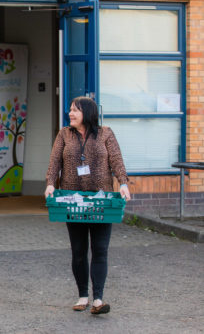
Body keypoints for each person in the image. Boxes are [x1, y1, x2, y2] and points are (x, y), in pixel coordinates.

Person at [44, 96, 131, 315]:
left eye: (75, 110)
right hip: (73, 201)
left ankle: (98, 300)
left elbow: (117, 160)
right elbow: (54, 162)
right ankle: (83, 295)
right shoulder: (64, 134)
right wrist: (50, 184)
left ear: (88, 113)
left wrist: (123, 184)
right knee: (79, 252)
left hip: (102, 201)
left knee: (100, 250)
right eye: (70, 110)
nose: (70, 113)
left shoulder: (106, 133)